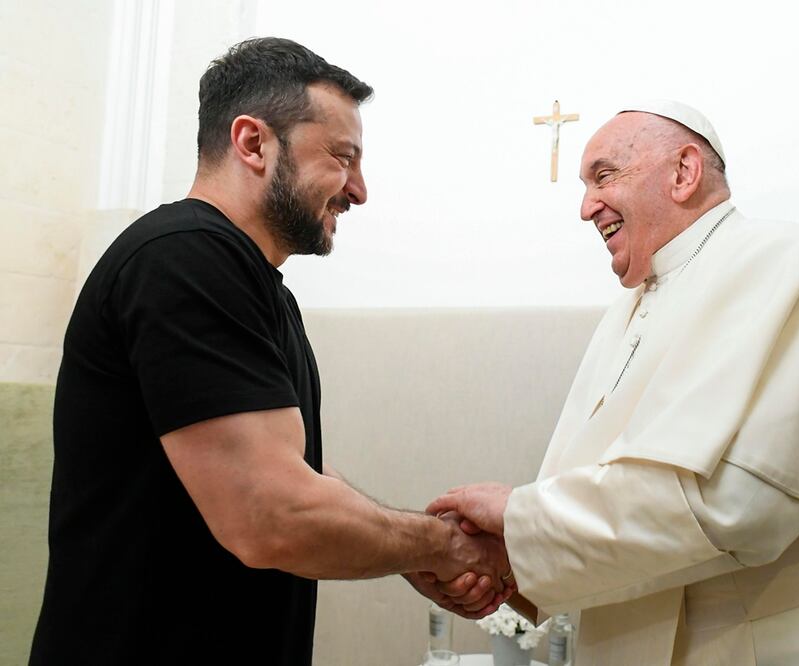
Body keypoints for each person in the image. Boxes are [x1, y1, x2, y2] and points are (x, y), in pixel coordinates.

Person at [428, 101, 799, 664]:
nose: (585, 206)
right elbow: (609, 504)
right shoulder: (625, 312)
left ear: (684, 172)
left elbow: (739, 507)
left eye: (604, 175)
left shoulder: (786, 261)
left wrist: (518, 526)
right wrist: (510, 564)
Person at [30, 37, 509, 665]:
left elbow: (295, 468)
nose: (358, 190)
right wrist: (440, 547)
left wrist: (408, 550)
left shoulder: (252, 283)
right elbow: (274, 513)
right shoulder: (182, 259)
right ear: (253, 143)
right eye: (342, 157)